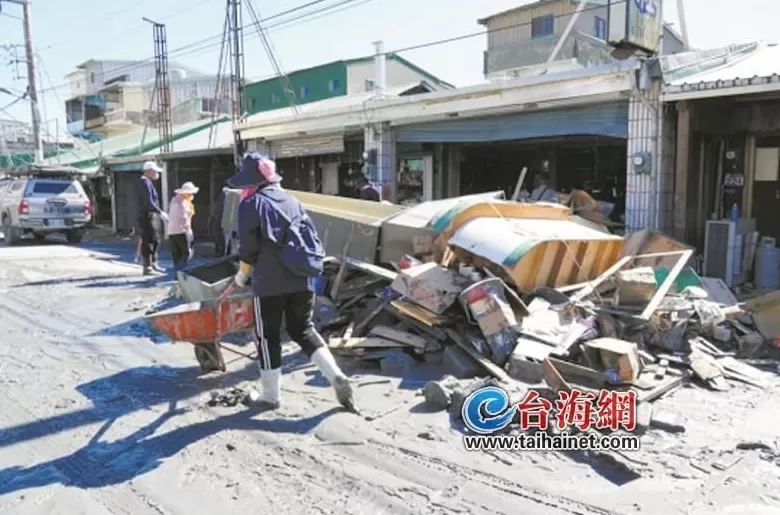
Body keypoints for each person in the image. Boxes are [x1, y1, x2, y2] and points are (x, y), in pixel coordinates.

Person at [223, 152, 356, 412]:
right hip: (303, 279)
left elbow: (248, 250)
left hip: (269, 283)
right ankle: (335, 375)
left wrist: (240, 277)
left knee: (268, 336)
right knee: (302, 329)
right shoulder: (292, 200)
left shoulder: (251, 204)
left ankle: (271, 397)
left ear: (250, 181)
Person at [135, 161, 168, 275]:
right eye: (154, 171)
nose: (156, 174)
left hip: (152, 215)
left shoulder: (148, 182)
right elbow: (148, 202)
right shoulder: (143, 183)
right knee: (148, 240)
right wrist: (160, 212)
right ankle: (147, 267)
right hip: (146, 215)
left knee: (156, 240)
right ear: (148, 171)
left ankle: (154, 263)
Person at [168, 181, 199, 273]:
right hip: (181, 231)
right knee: (185, 253)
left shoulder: (174, 200)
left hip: (171, 231)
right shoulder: (183, 203)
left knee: (176, 255)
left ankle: (176, 273)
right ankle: (180, 272)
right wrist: (188, 230)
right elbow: (184, 218)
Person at [208, 185, 228, 257]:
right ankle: (220, 252)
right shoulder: (224, 196)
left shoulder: (224, 195)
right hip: (219, 217)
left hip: (220, 217)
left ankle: (220, 252)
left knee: (218, 236)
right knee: (218, 236)